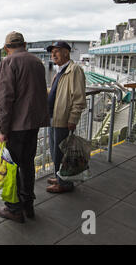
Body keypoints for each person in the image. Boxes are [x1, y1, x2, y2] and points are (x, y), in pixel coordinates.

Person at [0, 31, 50, 223]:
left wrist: (2, 129)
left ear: (6, 47)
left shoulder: (8, 62)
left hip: (15, 127)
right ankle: (28, 205)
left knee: (11, 167)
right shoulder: (37, 62)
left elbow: (4, 99)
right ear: (24, 44)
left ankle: (14, 209)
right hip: (33, 124)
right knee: (27, 165)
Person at [46, 41, 86, 193]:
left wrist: (73, 119)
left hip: (63, 120)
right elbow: (56, 93)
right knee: (55, 152)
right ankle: (60, 177)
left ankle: (64, 184)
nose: (53, 55)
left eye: (56, 51)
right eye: (52, 52)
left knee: (61, 153)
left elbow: (79, 98)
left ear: (66, 53)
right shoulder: (60, 71)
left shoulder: (74, 70)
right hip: (53, 118)